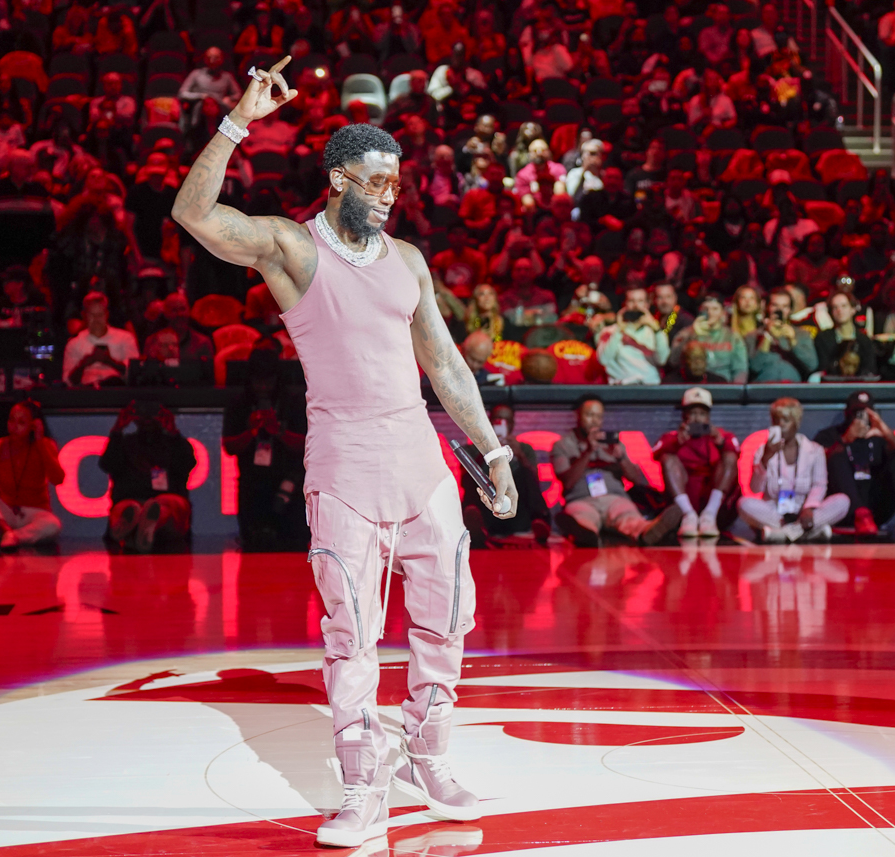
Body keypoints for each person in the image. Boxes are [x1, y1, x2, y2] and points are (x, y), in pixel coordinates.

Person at [170, 58, 516, 849]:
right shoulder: (291, 248)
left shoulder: (409, 262)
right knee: (352, 636)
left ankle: (427, 757)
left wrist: (492, 452)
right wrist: (237, 121)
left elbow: (446, 366)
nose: (386, 195)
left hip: (422, 463)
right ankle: (362, 785)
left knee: (445, 622)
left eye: (394, 184)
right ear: (335, 179)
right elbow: (194, 213)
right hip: (345, 467)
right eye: (371, 182)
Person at [552, 396, 681, 547]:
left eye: (599, 417)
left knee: (629, 518)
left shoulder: (612, 443)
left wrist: (621, 458)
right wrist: (588, 452)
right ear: (577, 415)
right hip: (581, 500)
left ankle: (648, 531)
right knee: (582, 518)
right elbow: (567, 482)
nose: (594, 421)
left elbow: (636, 479)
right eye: (589, 415)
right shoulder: (562, 445)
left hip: (614, 498)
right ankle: (585, 534)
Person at [222, 346, 309, 551]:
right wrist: (251, 431)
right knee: (254, 546)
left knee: (292, 548)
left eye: (267, 381)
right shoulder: (239, 404)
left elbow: (307, 446)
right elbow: (230, 447)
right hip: (252, 486)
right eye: (257, 381)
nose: (262, 387)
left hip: (289, 485)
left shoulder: (293, 403)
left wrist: (278, 431)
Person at [813, 391, 895, 538]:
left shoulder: (879, 435)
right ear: (847, 413)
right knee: (836, 455)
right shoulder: (831, 434)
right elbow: (816, 462)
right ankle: (860, 515)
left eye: (866, 412)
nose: (861, 416)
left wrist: (886, 432)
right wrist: (846, 439)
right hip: (846, 507)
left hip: (877, 503)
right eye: (856, 412)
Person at [737, 397, 850, 543]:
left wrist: (809, 509)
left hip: (804, 513)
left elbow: (819, 484)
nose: (780, 425)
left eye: (786, 420)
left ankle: (781, 534)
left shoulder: (814, 450)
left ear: (796, 423)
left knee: (843, 501)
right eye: (776, 420)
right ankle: (806, 533)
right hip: (776, 514)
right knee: (744, 504)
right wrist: (765, 458)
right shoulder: (763, 451)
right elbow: (755, 488)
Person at [99, 400, 197, 553]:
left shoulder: (174, 444)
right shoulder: (124, 443)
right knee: (127, 507)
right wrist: (117, 431)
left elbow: (187, 463)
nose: (148, 418)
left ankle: (145, 525)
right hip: (131, 499)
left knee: (164, 505)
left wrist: (174, 433)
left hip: (167, 500)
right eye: (142, 414)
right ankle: (133, 526)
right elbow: (107, 465)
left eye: (153, 414)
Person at [652, 387, 741, 539]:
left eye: (702, 414)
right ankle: (688, 515)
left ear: (708, 417)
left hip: (714, 504)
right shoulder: (672, 437)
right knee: (668, 458)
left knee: (730, 457)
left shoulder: (722, 435)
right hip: (684, 500)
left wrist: (720, 442)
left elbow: (736, 451)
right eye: (692, 413)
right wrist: (677, 442)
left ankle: (709, 515)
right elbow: (655, 453)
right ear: (684, 416)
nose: (697, 419)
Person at [460, 404, 551, 548]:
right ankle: (476, 527)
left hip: (516, 510)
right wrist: (485, 449)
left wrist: (520, 455)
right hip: (487, 507)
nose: (502, 424)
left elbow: (535, 481)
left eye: (506, 421)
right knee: (475, 475)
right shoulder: (473, 449)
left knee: (525, 473)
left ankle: (539, 522)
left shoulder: (524, 449)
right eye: (498, 421)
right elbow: (464, 481)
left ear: (512, 424)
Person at [0, 401, 64, 549]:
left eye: (21, 422)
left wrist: (39, 441)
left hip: (34, 512)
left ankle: (11, 536)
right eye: (11, 420)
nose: (14, 426)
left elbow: (58, 479)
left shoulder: (45, 445)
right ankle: (5, 531)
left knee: (52, 525)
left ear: (33, 425)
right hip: (3, 513)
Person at [62, 293, 140, 387]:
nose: (96, 319)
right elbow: (67, 382)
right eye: (92, 315)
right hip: (86, 394)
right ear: (84, 316)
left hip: (117, 392)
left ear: (107, 314)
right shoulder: (74, 344)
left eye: (100, 315)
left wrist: (110, 361)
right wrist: (84, 364)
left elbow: (135, 375)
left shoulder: (125, 338)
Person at [596, 286, 669, 385]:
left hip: (650, 387)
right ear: (624, 304)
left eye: (640, 301)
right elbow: (603, 360)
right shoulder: (609, 332)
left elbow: (662, 360)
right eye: (631, 301)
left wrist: (656, 329)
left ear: (647, 305)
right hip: (622, 389)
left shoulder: (656, 333)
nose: (636, 305)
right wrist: (619, 331)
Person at [669, 296, 749, 383]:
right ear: (700, 310)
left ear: (722, 313)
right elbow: (674, 361)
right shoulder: (687, 333)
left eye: (715, 309)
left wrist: (735, 391)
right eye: (706, 309)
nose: (710, 312)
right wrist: (692, 333)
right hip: (695, 383)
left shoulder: (733, 337)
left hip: (723, 385)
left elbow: (740, 369)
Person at [749, 288, 818, 382]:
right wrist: (768, 336)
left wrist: (793, 341)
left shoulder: (802, 334)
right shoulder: (753, 336)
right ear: (768, 307)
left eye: (784, 306)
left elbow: (812, 365)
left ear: (790, 310)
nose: (779, 310)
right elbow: (754, 367)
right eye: (775, 305)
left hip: (792, 387)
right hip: (764, 388)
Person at [814, 291, 877, 376]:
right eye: (835, 307)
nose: (839, 310)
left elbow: (870, 369)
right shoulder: (822, 339)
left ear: (853, 309)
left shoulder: (864, 341)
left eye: (844, 306)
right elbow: (823, 367)